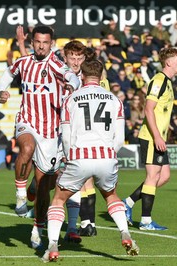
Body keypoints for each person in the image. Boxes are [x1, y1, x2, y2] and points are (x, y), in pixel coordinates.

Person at [42, 59, 139, 262]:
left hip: (80, 157)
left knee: (59, 199)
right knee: (111, 195)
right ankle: (124, 232)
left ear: (82, 76)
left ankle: (52, 244)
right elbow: (120, 139)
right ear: (102, 76)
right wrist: (107, 154)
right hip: (106, 157)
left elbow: (67, 136)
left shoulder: (71, 99)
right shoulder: (115, 100)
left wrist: (69, 157)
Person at [0, 25, 80, 250]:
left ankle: (38, 227)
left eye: (45, 42)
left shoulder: (55, 63)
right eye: (37, 42)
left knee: (45, 186)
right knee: (26, 148)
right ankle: (20, 195)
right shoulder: (24, 63)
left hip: (51, 132)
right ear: (32, 42)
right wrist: (1, 91)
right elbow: (7, 73)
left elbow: (71, 76)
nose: (41, 46)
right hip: (27, 121)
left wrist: (72, 85)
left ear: (51, 43)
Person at [122, 47, 177, 231]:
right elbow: (148, 109)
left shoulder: (168, 82)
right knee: (152, 176)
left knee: (163, 176)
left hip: (158, 137)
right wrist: (157, 136)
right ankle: (146, 221)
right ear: (168, 62)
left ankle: (128, 203)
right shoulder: (158, 80)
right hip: (150, 137)